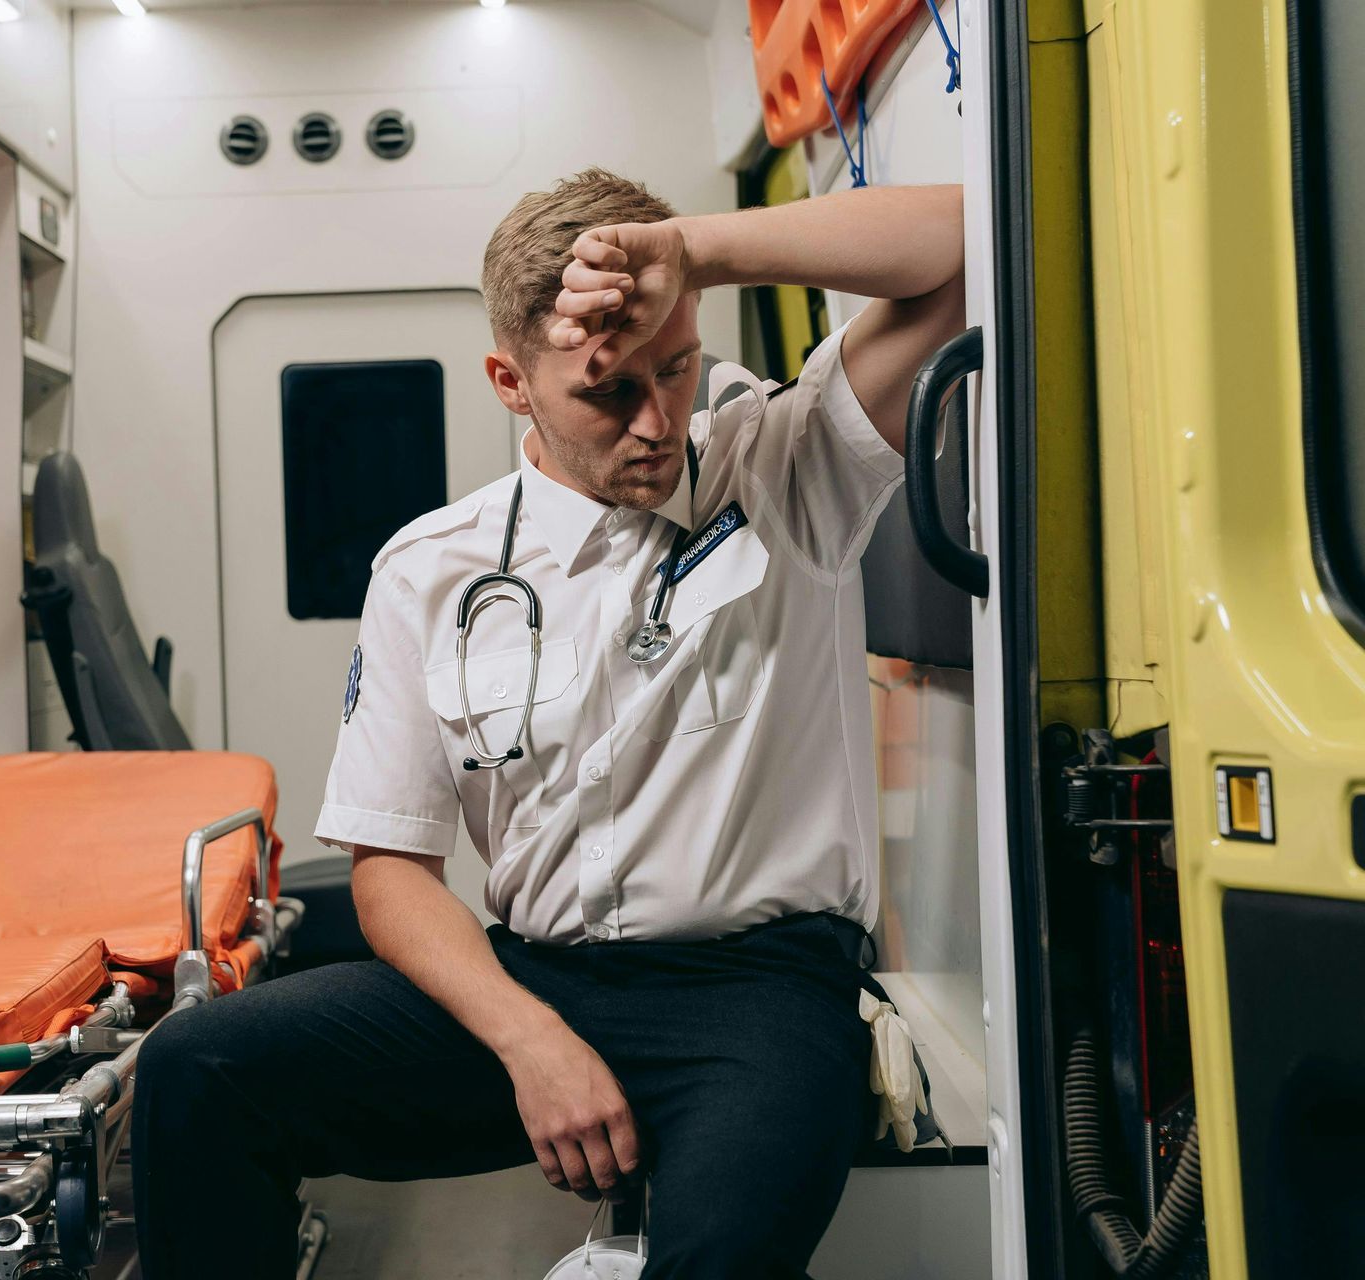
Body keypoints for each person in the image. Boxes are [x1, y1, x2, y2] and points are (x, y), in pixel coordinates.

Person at [133, 169, 966, 1279]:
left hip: (756, 997)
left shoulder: (783, 465)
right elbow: (390, 870)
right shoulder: (433, 570)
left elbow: (967, 242)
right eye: (609, 390)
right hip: (533, 982)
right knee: (198, 1069)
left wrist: (695, 249)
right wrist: (530, 1039)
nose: (659, 420)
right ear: (510, 382)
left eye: (676, 367)